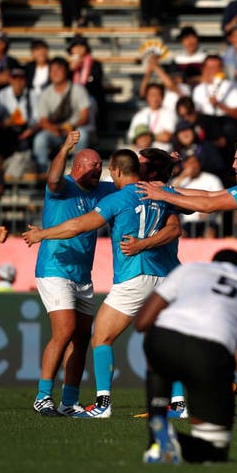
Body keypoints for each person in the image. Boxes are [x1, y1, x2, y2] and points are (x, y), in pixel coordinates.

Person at [138, 139, 237, 417]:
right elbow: (209, 196)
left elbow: (209, 207)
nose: (232, 164)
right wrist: (169, 189)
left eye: (236, 159)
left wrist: (165, 197)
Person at [23, 148, 182, 418]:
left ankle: (102, 404)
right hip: (167, 276)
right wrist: (166, 170)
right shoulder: (162, 193)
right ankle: (178, 404)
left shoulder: (116, 197)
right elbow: (181, 221)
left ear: (116, 172)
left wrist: (42, 234)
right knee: (165, 339)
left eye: (104, 168)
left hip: (134, 275)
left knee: (99, 337)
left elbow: (79, 226)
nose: (101, 173)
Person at [137, 249, 237, 464]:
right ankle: (171, 438)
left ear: (212, 264)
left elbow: (142, 322)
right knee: (215, 451)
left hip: (163, 339)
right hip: (210, 352)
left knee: (157, 349)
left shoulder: (189, 270)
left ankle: (158, 430)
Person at [28, 131, 116, 417]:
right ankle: (42, 397)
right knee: (64, 331)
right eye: (92, 169)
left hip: (82, 274)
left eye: (100, 169)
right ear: (76, 168)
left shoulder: (103, 190)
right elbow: (52, 178)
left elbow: (130, 183)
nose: (97, 173)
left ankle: (69, 401)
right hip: (54, 268)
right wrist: (64, 147)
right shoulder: (63, 186)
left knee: (80, 338)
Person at [33, 57, 91, 172]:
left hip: (74, 130)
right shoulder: (46, 93)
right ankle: (44, 174)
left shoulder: (78, 90)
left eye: (58, 69)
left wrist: (71, 127)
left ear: (66, 71)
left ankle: (79, 171)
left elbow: (85, 116)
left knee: (83, 135)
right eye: (52, 70)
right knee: (40, 139)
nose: (54, 73)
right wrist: (54, 129)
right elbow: (43, 120)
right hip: (55, 132)